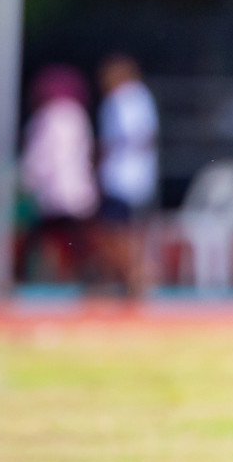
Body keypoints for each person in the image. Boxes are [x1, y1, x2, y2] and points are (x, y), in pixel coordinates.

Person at [20, 65, 99, 283]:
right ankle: (91, 279)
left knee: (39, 238)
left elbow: (39, 157)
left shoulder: (47, 116)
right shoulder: (77, 114)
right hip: (77, 189)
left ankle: (25, 280)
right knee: (78, 241)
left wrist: (27, 181)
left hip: (53, 191)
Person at [96, 54, 159, 298]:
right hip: (138, 177)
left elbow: (116, 139)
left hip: (121, 177)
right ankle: (136, 275)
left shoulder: (122, 99)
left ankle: (136, 275)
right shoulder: (142, 97)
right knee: (129, 230)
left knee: (116, 231)